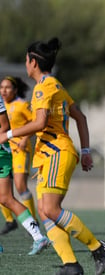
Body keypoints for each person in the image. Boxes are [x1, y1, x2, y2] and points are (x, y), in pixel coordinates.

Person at [0, 37, 105, 275]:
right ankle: (70, 264)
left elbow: (39, 123)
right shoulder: (56, 85)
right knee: (45, 211)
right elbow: (81, 118)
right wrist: (86, 151)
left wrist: (7, 134)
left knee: (50, 210)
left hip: (56, 153)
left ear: (33, 62)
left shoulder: (43, 87)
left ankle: (97, 247)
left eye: (26, 60)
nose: (25, 64)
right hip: (52, 154)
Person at [0, 91, 50, 255]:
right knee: (5, 198)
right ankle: (38, 237)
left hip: (2, 152)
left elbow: (4, 126)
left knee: (7, 198)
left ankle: (38, 236)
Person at [0, 76, 36, 235]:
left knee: (21, 186)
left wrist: (25, 139)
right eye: (2, 87)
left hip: (20, 150)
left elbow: (35, 123)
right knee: (3, 190)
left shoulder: (22, 105)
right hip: (5, 151)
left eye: (8, 87)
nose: (4, 91)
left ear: (15, 90)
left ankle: (33, 223)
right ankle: (10, 220)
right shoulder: (2, 106)